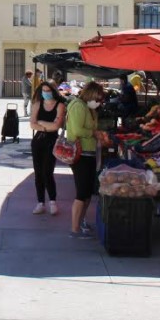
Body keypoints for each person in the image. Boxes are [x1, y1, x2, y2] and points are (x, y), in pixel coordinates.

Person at [66, 81, 105, 238]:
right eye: (98, 98)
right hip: (80, 155)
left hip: (89, 154)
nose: (99, 102)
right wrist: (94, 134)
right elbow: (76, 130)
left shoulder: (88, 109)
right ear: (91, 94)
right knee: (81, 193)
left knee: (88, 193)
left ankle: (81, 221)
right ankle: (74, 229)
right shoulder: (78, 106)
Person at [30, 80, 67, 216]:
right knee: (38, 172)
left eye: (48, 90)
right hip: (38, 141)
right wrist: (47, 126)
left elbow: (57, 126)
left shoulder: (60, 105)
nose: (46, 93)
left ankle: (52, 201)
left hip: (52, 141)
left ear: (54, 90)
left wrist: (41, 124)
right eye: (43, 90)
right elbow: (32, 124)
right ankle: (40, 202)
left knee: (48, 171)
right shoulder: (37, 105)